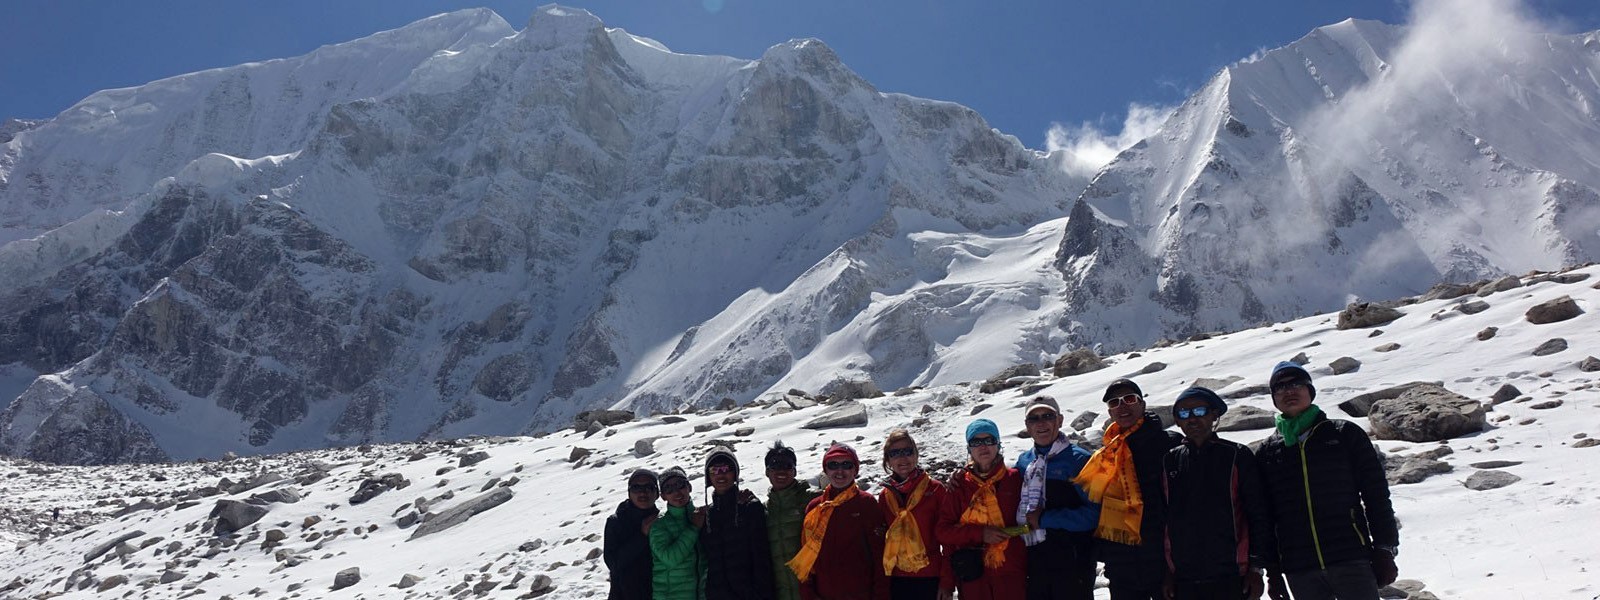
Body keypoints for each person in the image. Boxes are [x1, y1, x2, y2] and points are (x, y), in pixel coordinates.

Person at [1256, 362, 1398, 600]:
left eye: (1296, 384)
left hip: (1351, 557)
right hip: (1300, 567)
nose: (1289, 391)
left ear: (1310, 390)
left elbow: (1376, 494)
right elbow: (1266, 517)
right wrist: (1273, 573)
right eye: (1280, 388)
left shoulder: (1343, 434)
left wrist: (1384, 549)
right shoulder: (1267, 452)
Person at [1161, 387, 1275, 600]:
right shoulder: (1170, 461)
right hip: (1185, 578)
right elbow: (1165, 518)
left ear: (1215, 414)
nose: (1192, 419)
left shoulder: (1236, 455)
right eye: (1184, 414)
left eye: (1200, 411)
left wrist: (1256, 568)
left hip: (1233, 574)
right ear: (1177, 421)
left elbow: (1258, 514)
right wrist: (1167, 572)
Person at [1074, 378, 1182, 600]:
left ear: (1142, 405)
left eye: (1129, 399)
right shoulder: (1106, 454)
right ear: (1110, 412)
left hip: (1165, 561)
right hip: (1122, 564)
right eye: (1114, 403)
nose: (1122, 406)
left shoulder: (1169, 445)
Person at [1014, 395, 1100, 600]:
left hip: (1074, 561)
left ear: (1059, 420)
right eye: (1034, 418)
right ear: (1027, 425)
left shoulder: (1080, 460)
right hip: (1035, 560)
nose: (1041, 423)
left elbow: (1095, 514)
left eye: (1048, 416)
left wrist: (1044, 519)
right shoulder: (1025, 462)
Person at [936, 418, 1027, 600]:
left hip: (1011, 574)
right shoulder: (959, 485)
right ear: (969, 448)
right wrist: (981, 534)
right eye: (976, 442)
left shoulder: (1016, 479)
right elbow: (943, 532)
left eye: (989, 440)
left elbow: (1030, 522)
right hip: (973, 577)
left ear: (998, 444)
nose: (983, 446)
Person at [788, 442, 888, 600]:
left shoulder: (866, 503)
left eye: (846, 464)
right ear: (826, 470)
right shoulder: (816, 507)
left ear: (855, 470)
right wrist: (809, 594)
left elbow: (880, 556)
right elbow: (806, 557)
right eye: (833, 465)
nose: (839, 471)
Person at [876, 429, 954, 600]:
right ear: (888, 459)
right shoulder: (885, 496)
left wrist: (947, 582)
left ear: (916, 455)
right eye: (895, 453)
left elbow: (948, 540)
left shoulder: (935, 490)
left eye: (908, 451)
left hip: (929, 577)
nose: (903, 458)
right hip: (896, 579)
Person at [703, 448, 775, 600]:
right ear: (708, 476)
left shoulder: (749, 506)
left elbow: (761, 557)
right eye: (714, 470)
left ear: (735, 473)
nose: (720, 474)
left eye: (726, 469)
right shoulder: (707, 515)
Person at [766, 442, 821, 600]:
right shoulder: (764, 510)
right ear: (767, 472)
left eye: (787, 466)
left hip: (813, 592)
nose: (781, 471)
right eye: (775, 466)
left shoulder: (813, 500)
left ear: (795, 471)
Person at [652, 466, 708, 600]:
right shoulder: (659, 525)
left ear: (689, 487)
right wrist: (693, 528)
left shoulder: (703, 516)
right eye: (669, 489)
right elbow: (670, 558)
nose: (676, 492)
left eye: (680, 485)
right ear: (663, 496)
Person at [605, 469, 660, 600]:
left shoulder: (663, 521)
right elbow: (613, 563)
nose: (642, 492)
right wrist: (642, 536)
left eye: (649, 487)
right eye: (636, 487)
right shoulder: (616, 522)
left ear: (657, 493)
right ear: (629, 493)